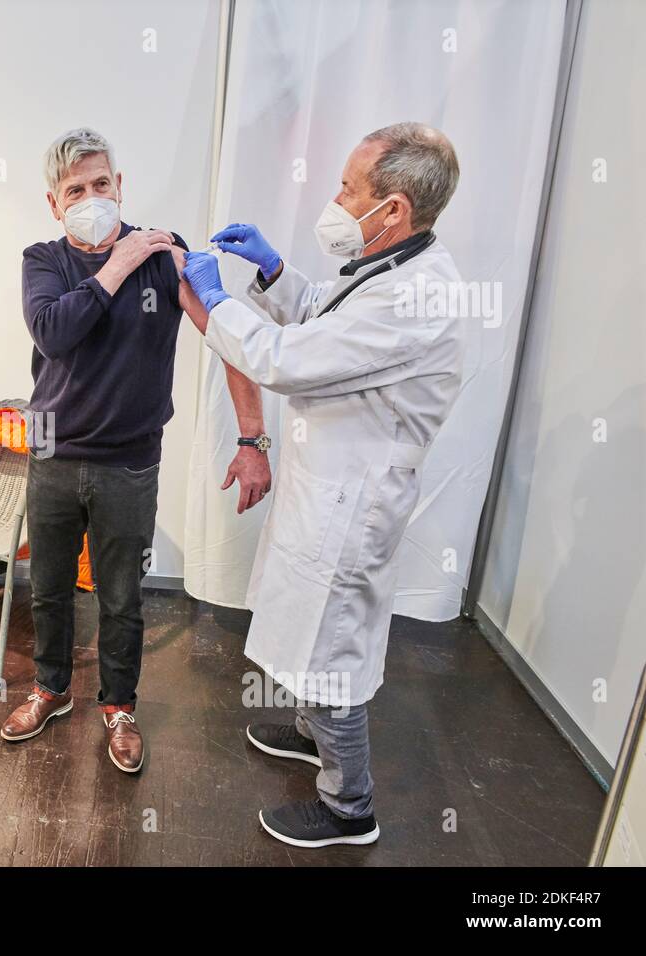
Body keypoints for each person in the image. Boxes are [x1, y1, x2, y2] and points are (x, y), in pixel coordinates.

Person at [181, 122, 464, 846]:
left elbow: (283, 358)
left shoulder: (416, 298)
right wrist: (276, 276)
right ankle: (311, 734)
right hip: (327, 487)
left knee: (332, 647)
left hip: (353, 505)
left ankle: (349, 807)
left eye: (349, 188)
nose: (336, 199)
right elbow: (321, 321)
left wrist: (216, 302)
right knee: (309, 626)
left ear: (394, 207)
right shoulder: (391, 264)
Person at [1, 127, 271, 773]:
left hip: (128, 459)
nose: (91, 198)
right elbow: (55, 332)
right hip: (53, 455)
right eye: (76, 190)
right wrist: (117, 262)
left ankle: (119, 707)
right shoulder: (43, 259)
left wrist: (252, 437)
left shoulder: (163, 255)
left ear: (119, 186)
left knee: (121, 597)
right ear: (54, 202)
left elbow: (229, 338)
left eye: (100, 184)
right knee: (49, 589)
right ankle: (51, 689)